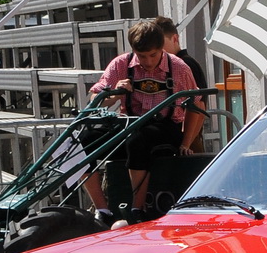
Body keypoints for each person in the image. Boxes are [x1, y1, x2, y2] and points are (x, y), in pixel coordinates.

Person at [87, 17, 205, 217]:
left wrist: (186, 143)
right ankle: (102, 209)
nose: (148, 62)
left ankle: (136, 208)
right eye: (142, 56)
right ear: (133, 50)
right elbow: (94, 98)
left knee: (138, 140)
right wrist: (114, 94)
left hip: (166, 128)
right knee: (81, 142)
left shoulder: (179, 67)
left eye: (153, 55)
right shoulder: (121, 64)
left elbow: (197, 105)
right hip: (130, 124)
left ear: (162, 49)